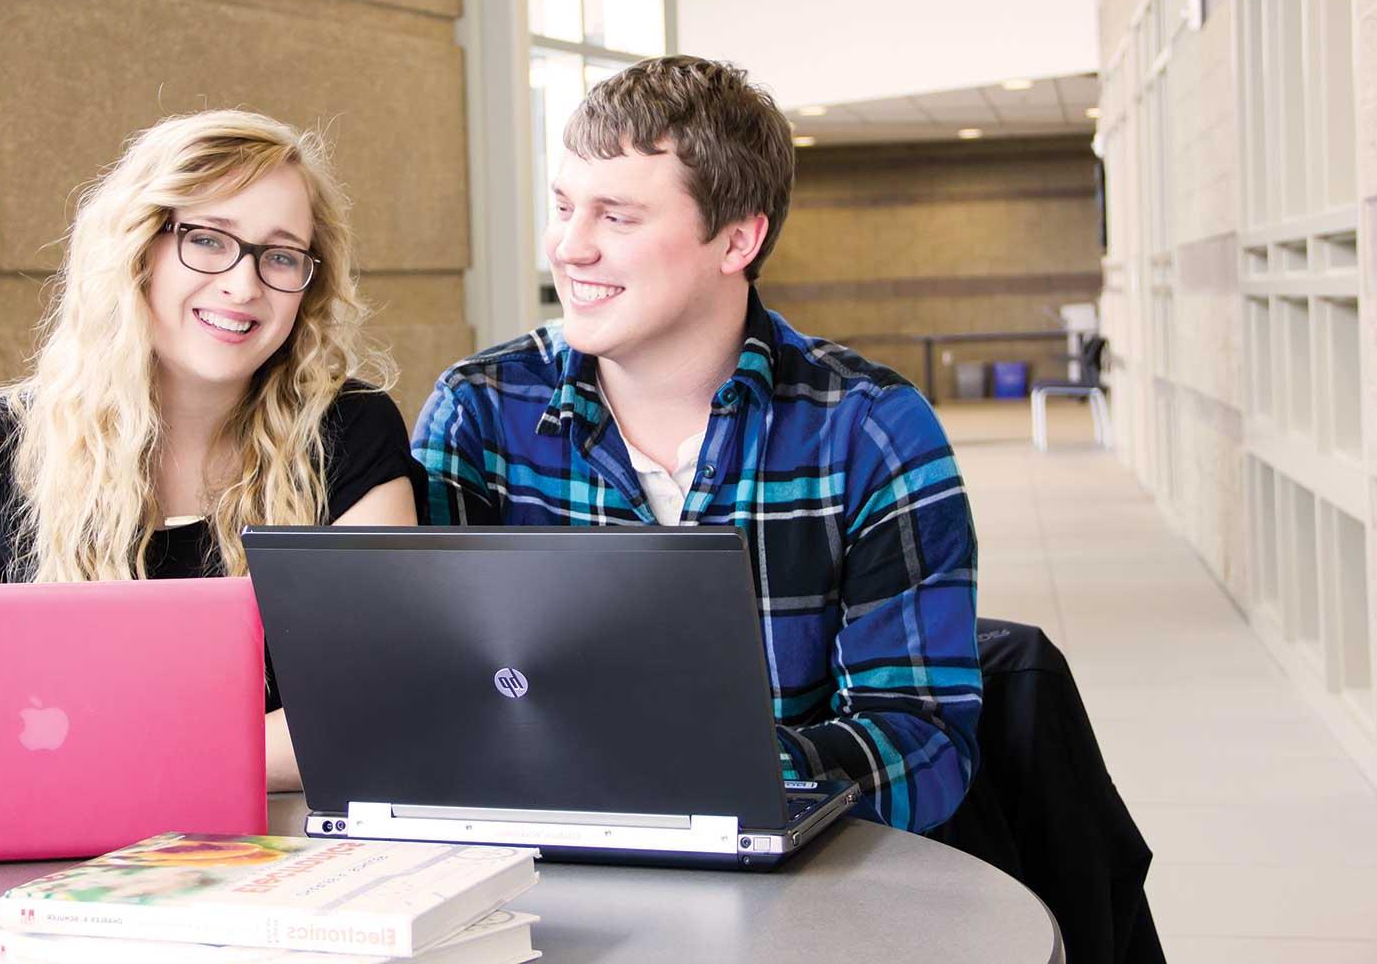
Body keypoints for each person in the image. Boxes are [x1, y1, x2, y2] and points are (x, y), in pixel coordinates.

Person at [412, 57, 981, 833]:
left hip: (792, 888)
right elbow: (427, 700)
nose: (569, 248)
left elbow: (926, 740)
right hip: (536, 879)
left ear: (737, 240)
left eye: (616, 216)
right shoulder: (478, 411)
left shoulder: (871, 430)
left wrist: (697, 774)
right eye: (564, 206)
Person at [0, 110, 421, 792]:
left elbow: (369, 708)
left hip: (283, 851)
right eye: (208, 241)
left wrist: (101, 756)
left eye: (279, 255)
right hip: (49, 844)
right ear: (137, 249)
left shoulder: (352, 433)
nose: (244, 285)